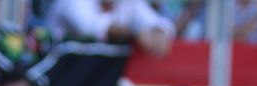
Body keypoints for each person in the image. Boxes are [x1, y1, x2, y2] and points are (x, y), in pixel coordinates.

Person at [45, 0, 175, 54]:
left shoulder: (128, 2)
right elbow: (91, 27)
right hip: (57, 71)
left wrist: (159, 32)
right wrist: (137, 33)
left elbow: (161, 23)